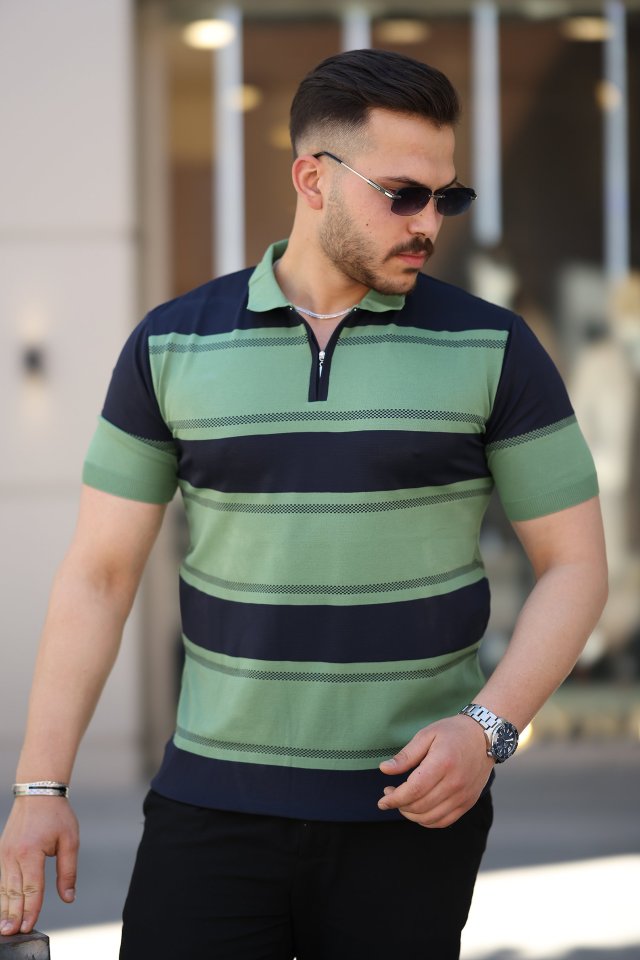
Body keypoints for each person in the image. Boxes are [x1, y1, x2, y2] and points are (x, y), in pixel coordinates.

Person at [0, 49, 607, 960]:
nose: (428, 222)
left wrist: (488, 731)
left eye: (445, 197)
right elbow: (98, 575)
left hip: (410, 813)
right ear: (312, 180)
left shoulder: (495, 346)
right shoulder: (169, 345)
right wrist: (40, 788)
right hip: (210, 809)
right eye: (403, 194)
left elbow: (577, 566)